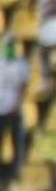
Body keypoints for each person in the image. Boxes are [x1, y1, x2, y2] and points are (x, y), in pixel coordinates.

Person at [0, 39, 30, 181]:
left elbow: (23, 86)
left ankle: (16, 170)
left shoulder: (21, 65)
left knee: (17, 140)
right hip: (2, 108)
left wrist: (17, 104)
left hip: (14, 108)